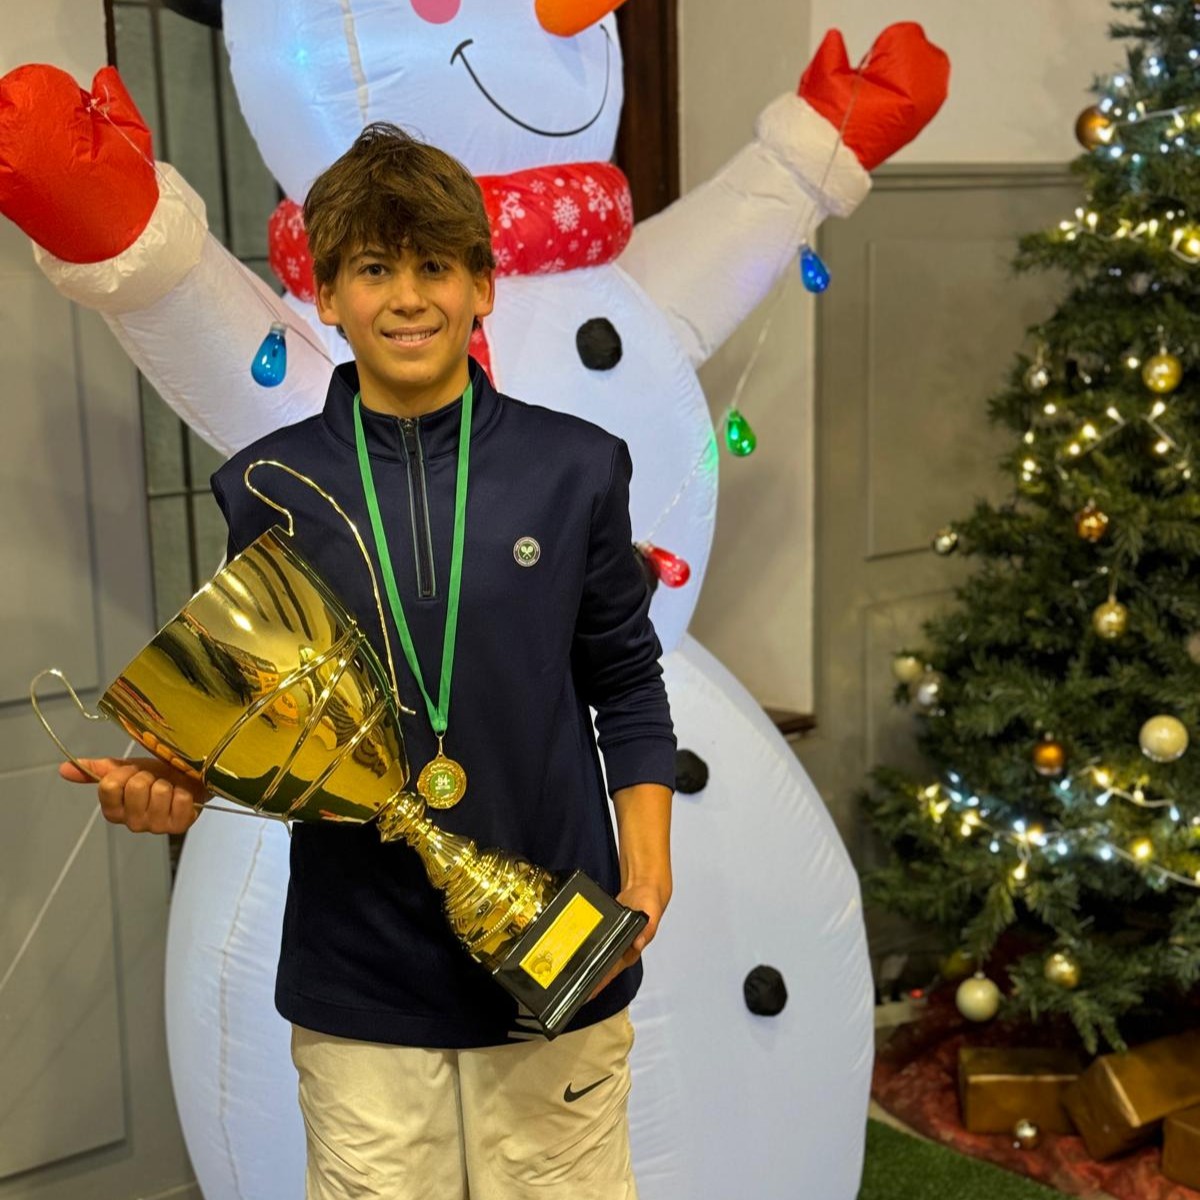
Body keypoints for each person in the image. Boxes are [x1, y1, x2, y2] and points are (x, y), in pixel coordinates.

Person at [61, 122, 675, 1200]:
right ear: (327, 296)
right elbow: (258, 719)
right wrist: (171, 785)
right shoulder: (263, 488)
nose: (407, 297)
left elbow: (625, 683)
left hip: (559, 944)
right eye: (374, 268)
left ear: (483, 287)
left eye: (436, 265)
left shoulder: (575, 468)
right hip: (360, 974)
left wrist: (647, 872)